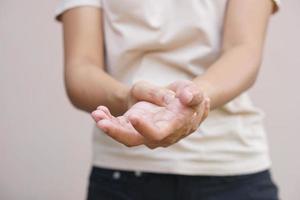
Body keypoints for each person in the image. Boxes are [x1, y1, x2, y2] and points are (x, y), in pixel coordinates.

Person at [55, 0, 280, 199]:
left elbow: (244, 50)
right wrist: (128, 98)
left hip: (229, 166)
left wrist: (193, 97)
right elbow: (80, 68)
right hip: (122, 171)